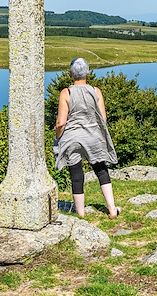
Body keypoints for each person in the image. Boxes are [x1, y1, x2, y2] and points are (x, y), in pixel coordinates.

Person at [53, 57, 120, 218]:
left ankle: (81, 213)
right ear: (87, 72)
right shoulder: (96, 91)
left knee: (76, 174)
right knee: (101, 169)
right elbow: (102, 118)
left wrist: (58, 137)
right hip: (93, 135)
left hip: (73, 137)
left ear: (71, 73)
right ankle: (112, 209)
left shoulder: (66, 92)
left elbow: (61, 122)